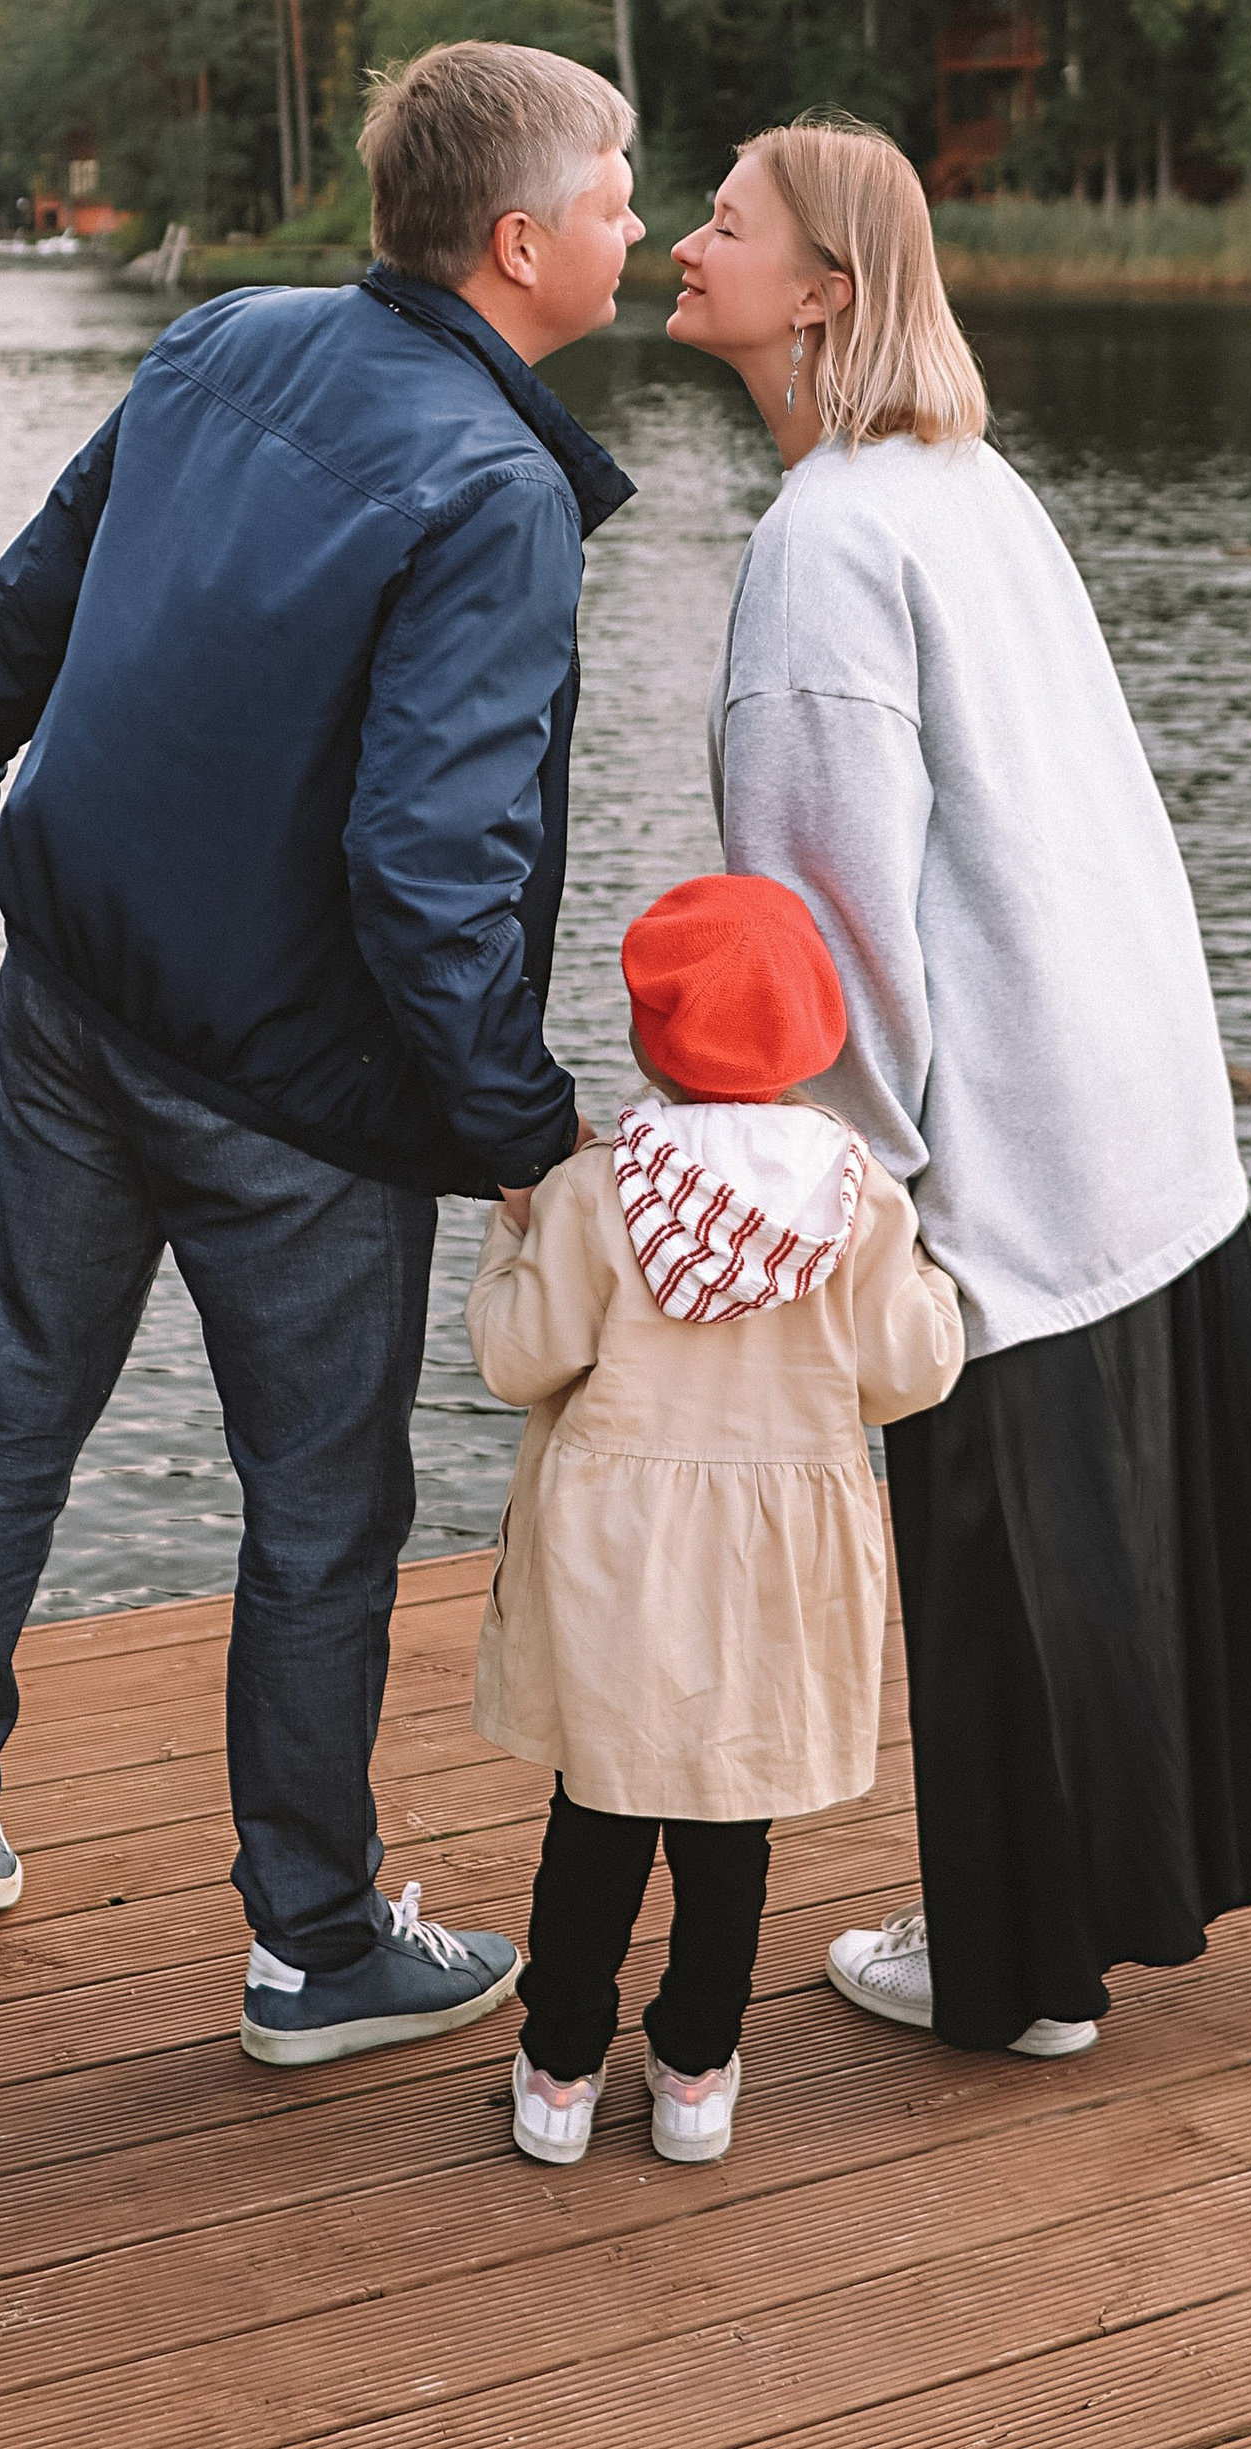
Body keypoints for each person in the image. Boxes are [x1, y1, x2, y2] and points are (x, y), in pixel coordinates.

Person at [664, 109, 1251, 2057]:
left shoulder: (820, 543)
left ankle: (1017, 1966)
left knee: (1004, 1548)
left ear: (824, 291)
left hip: (1003, 1115)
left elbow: (825, 905)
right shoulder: (965, 480)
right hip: (1132, 1076)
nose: (687, 242)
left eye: (725, 220)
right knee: (1229, 1480)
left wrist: (857, 1178)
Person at [0, 40, 645, 2065]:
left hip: (79, 988)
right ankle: (311, 1938)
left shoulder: (225, 335)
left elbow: (41, 571)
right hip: (282, 1089)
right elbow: (423, 860)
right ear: (516, 241)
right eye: (618, 186)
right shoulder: (493, 488)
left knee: (16, 1380)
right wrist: (514, 1122)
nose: (636, 218)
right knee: (319, 1505)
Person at [466, 868, 965, 2165]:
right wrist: (931, 1283)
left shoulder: (600, 1190)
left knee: (600, 1812)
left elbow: (523, 1358)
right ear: (818, 1037)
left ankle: (561, 2068)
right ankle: (694, 2071)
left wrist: (506, 1239)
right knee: (728, 1823)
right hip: (775, 1557)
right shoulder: (854, 1199)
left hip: (620, 1550)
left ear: (646, 1038)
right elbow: (910, 1370)